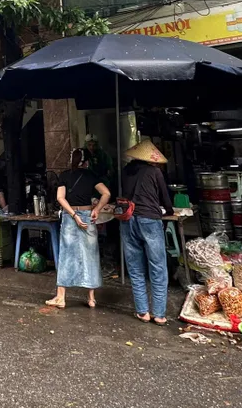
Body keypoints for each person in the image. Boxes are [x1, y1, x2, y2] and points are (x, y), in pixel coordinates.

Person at [119, 139, 175, 325]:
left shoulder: (126, 171)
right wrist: (170, 211)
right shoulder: (154, 172)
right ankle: (159, 314)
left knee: (135, 268)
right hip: (149, 220)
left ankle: (142, 311)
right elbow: (164, 196)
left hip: (128, 220)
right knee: (158, 266)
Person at [47, 148, 110, 309]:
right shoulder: (91, 175)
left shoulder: (65, 175)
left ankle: (61, 297)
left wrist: (74, 215)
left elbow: (60, 198)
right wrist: (96, 210)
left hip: (70, 217)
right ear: (87, 162)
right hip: (88, 215)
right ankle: (91, 299)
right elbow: (106, 193)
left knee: (67, 255)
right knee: (90, 255)